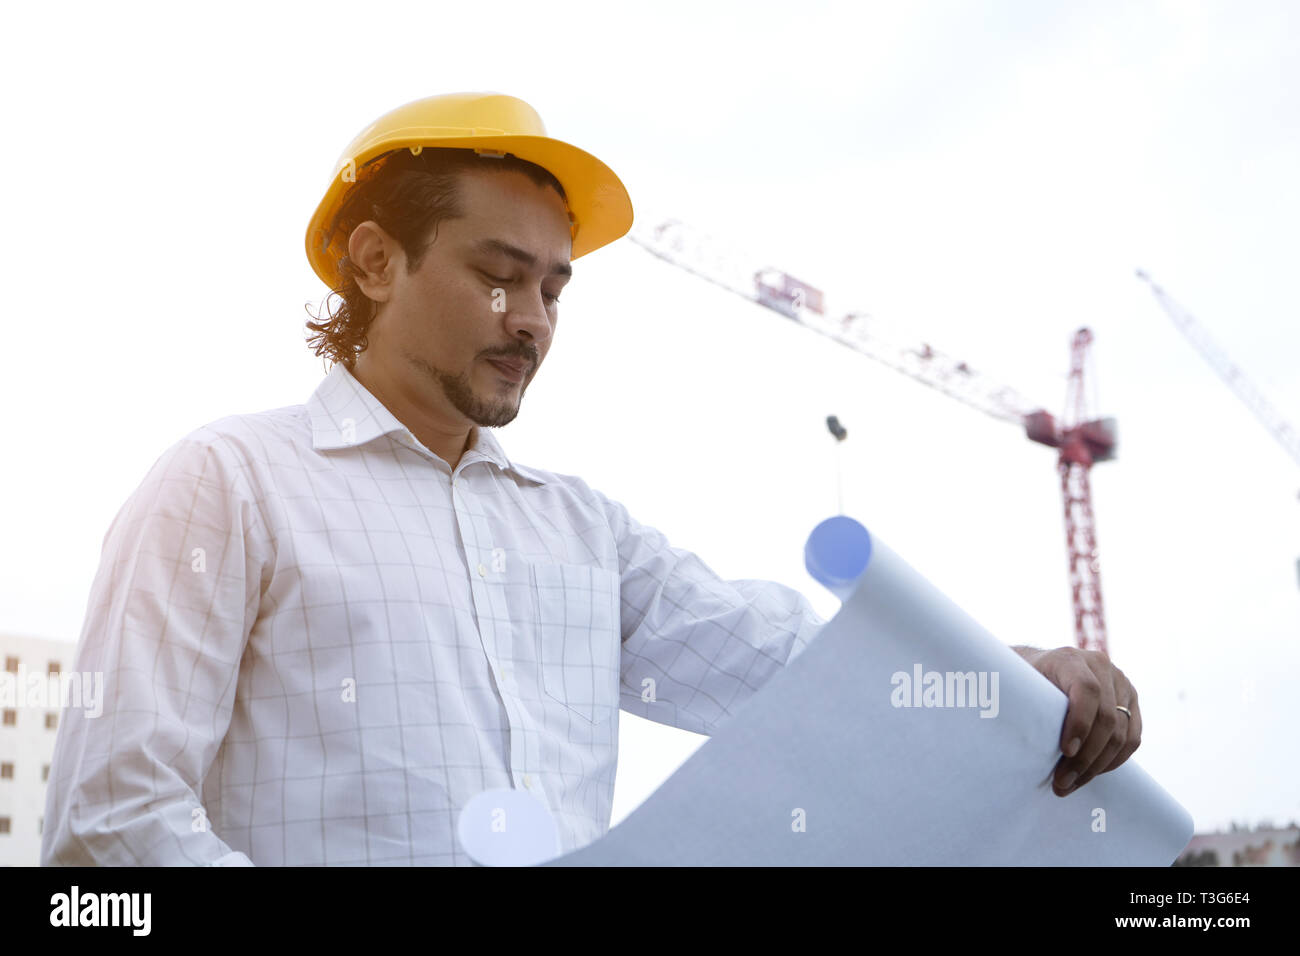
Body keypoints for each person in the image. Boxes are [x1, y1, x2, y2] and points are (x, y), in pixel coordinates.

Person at [41, 91, 1140, 866]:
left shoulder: (581, 533)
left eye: (554, 290)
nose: (531, 321)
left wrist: (1011, 674)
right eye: (496, 276)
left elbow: (788, 665)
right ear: (377, 262)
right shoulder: (228, 484)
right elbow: (110, 822)